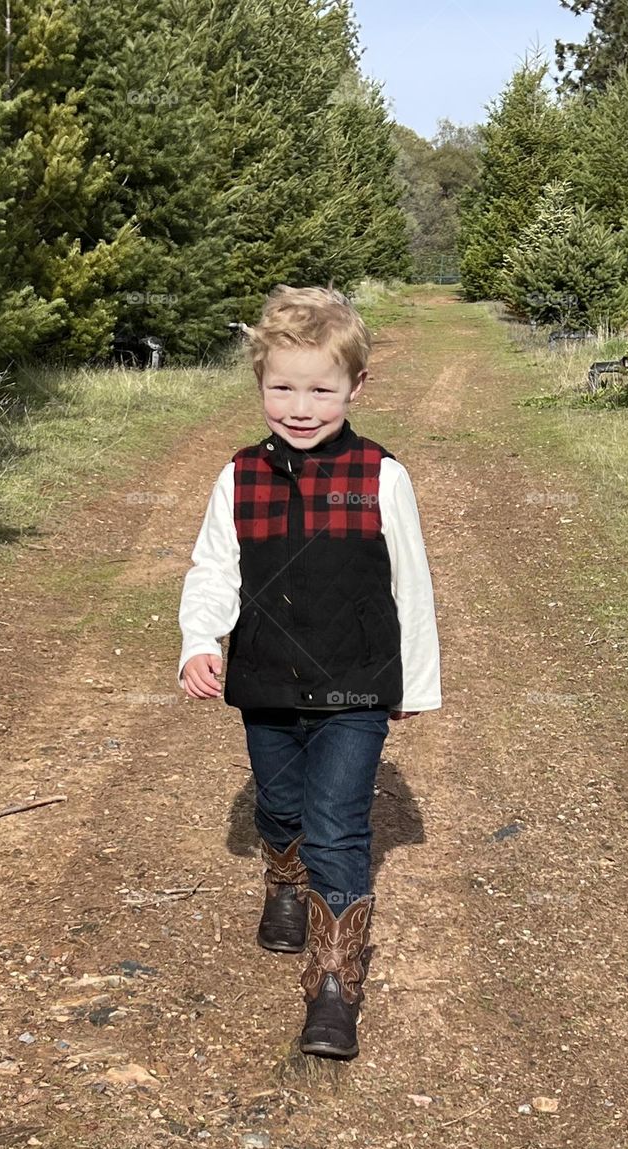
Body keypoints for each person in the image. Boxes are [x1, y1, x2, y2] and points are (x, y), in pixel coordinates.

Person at [177, 284, 441, 1059]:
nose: (300, 406)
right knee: (282, 805)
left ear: (356, 388)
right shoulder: (238, 476)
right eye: (282, 388)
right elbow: (213, 569)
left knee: (338, 824)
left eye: (321, 389)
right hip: (265, 677)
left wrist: (412, 684)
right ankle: (283, 878)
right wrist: (201, 640)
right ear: (260, 385)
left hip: (356, 684)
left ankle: (334, 980)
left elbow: (410, 582)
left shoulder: (381, 475)